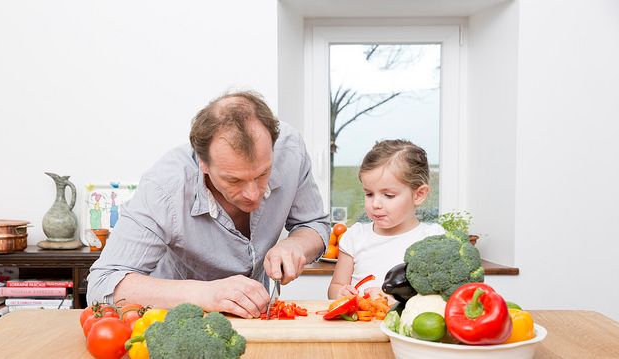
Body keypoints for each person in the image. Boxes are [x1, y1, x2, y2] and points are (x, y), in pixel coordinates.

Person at [87, 90, 329, 319]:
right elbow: (102, 285)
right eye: (234, 179)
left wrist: (296, 245)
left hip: (252, 320)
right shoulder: (164, 187)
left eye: (263, 173)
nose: (253, 194)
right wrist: (205, 294)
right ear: (203, 163)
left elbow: (314, 223)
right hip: (176, 322)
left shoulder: (290, 150)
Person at [327, 139, 445, 302]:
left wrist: (392, 300)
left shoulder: (432, 238)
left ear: (418, 194)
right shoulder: (355, 236)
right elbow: (336, 286)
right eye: (369, 194)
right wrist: (340, 293)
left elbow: (438, 296)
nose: (375, 204)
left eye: (388, 195)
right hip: (359, 325)